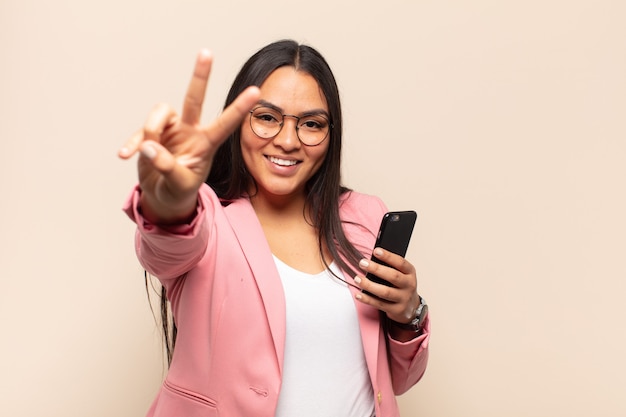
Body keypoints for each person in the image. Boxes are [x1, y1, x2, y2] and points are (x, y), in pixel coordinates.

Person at [118, 39, 430, 417]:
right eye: (266, 117)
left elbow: (395, 381)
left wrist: (408, 316)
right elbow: (167, 245)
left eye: (311, 124)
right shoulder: (207, 220)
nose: (287, 141)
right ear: (236, 122)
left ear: (331, 135)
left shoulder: (363, 215)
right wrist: (169, 202)